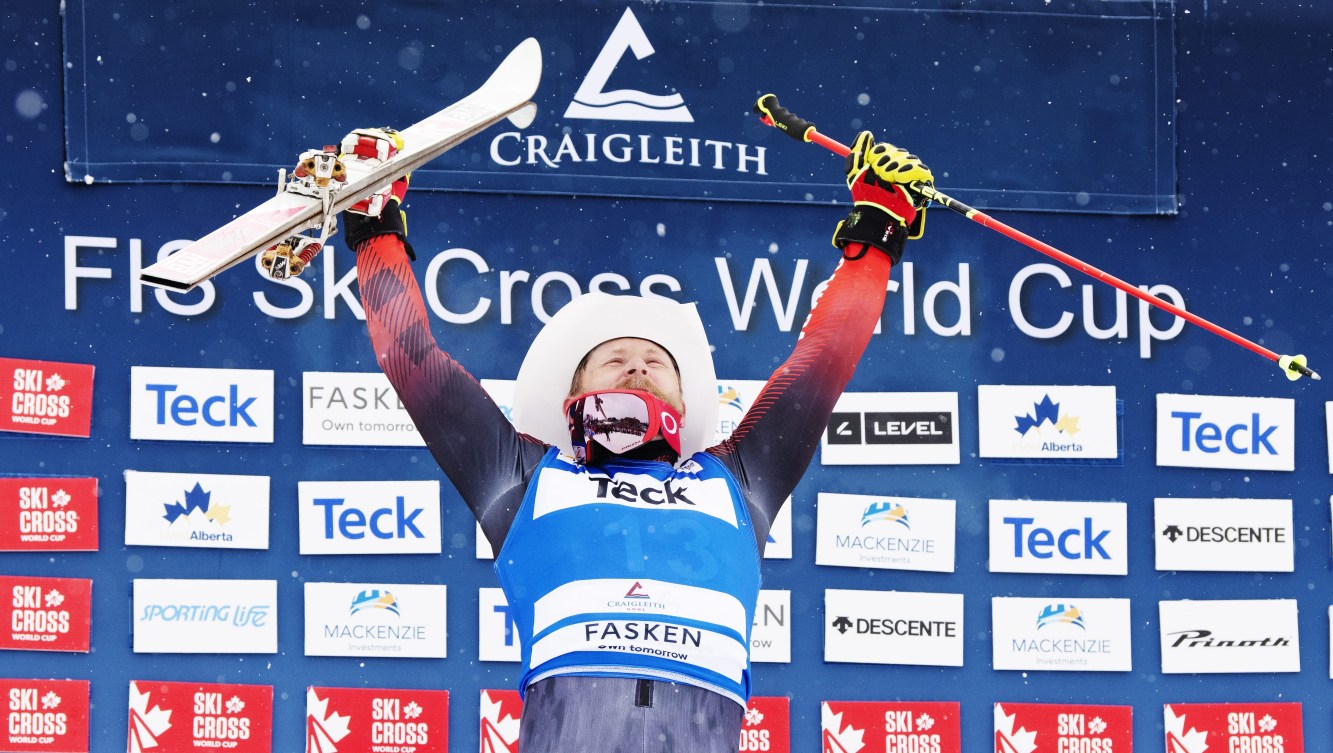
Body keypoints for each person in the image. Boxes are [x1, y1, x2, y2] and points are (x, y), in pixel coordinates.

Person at [340, 127, 932, 753]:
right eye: (615, 358)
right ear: (574, 392)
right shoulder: (522, 476)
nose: (638, 368)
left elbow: (823, 363)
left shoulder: (737, 480)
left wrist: (877, 231)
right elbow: (413, 358)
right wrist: (375, 229)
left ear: (684, 396)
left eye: (656, 361)